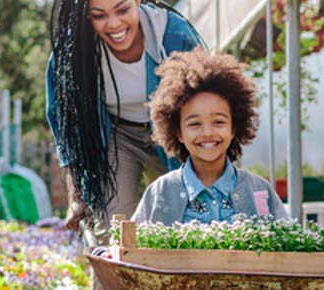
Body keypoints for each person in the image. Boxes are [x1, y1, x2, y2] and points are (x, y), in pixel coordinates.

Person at [45, 0, 204, 246]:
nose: (114, 24)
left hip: (173, 136)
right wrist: (75, 191)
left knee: (188, 224)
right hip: (117, 136)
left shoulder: (172, 35)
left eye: (122, 10)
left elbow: (208, 104)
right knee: (111, 229)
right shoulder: (73, 52)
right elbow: (65, 123)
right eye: (99, 16)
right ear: (87, 17)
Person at [132, 49, 289, 225]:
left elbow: (287, 245)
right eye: (194, 124)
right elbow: (130, 246)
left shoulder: (259, 191)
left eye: (218, 122)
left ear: (234, 128)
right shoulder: (161, 191)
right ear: (178, 133)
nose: (207, 133)